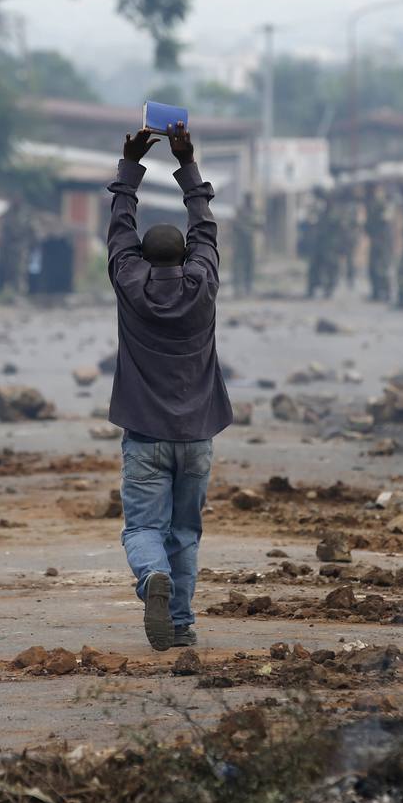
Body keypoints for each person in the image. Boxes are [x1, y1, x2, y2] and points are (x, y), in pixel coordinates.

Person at [106, 122, 232, 652]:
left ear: (141, 258)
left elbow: (118, 230)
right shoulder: (202, 284)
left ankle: (151, 578)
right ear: (184, 258)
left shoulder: (129, 283)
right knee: (186, 532)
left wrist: (129, 169)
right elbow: (205, 228)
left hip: (145, 433)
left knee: (143, 530)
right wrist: (188, 165)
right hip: (197, 432)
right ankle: (179, 622)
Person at [0, 196, 35, 296]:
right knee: (10, 270)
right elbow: (5, 231)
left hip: (22, 246)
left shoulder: (26, 215)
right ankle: (11, 292)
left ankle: (21, 292)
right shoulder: (8, 215)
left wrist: (31, 245)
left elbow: (31, 231)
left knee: (20, 270)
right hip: (10, 248)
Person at [363, 183, 393, 302]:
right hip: (376, 239)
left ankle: (385, 292)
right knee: (374, 267)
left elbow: (384, 222)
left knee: (382, 267)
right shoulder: (374, 204)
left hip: (382, 240)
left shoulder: (384, 205)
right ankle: (376, 292)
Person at [230, 193, 257, 297]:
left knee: (249, 265)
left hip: (249, 244)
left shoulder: (253, 211)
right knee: (238, 266)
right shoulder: (240, 211)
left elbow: (256, 224)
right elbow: (236, 225)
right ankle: (237, 288)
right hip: (240, 244)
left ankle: (248, 287)